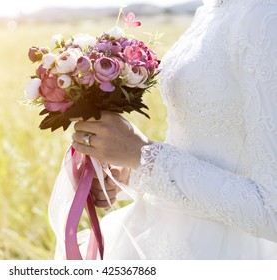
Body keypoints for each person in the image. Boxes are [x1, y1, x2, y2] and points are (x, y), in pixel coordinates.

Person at [70, 0, 277, 259]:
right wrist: (131, 173)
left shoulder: (264, 15)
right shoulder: (211, 10)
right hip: (161, 232)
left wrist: (143, 154)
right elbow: (204, 147)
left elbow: (273, 210)